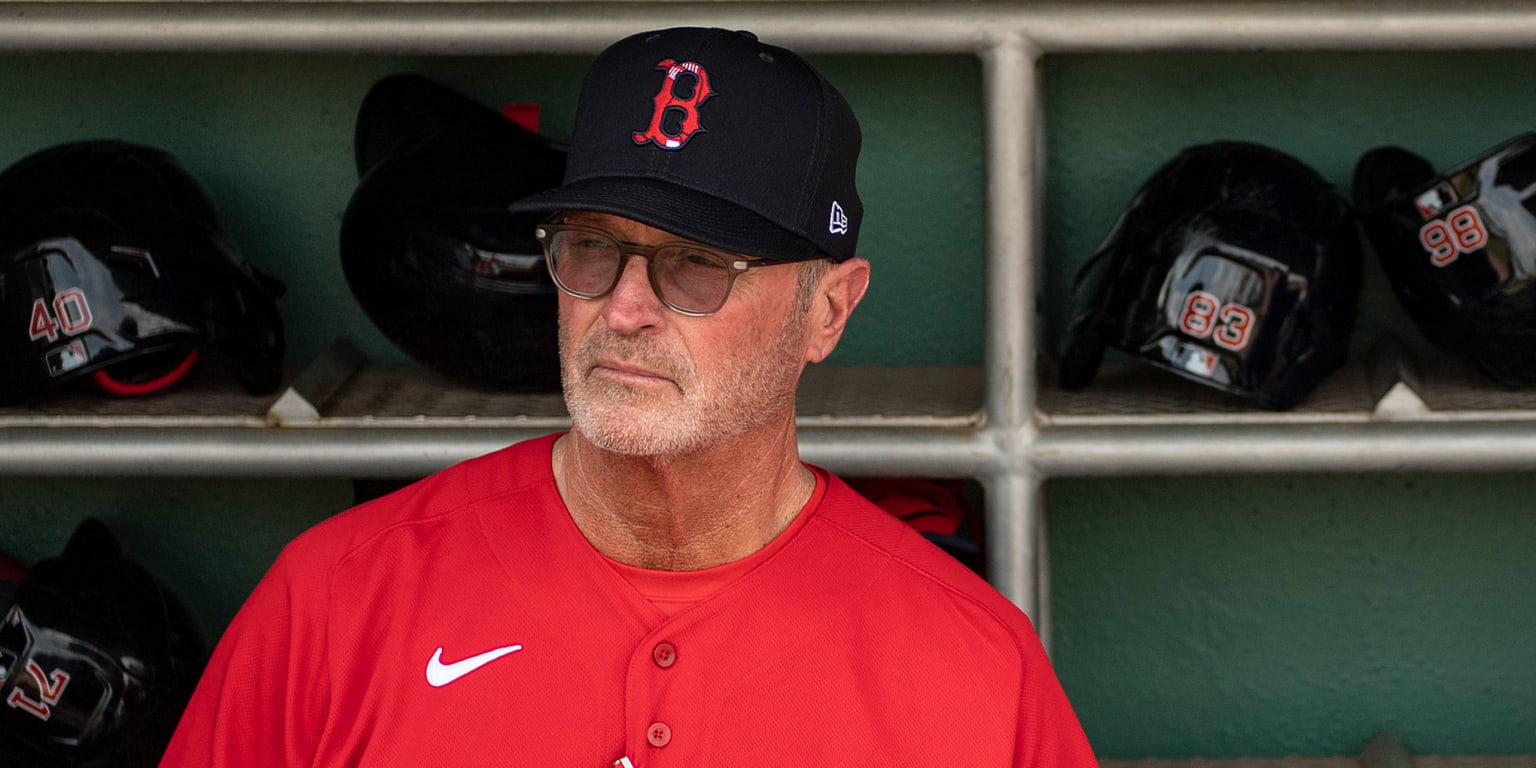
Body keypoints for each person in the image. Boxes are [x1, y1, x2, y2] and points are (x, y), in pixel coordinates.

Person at [159, 26, 1097, 767]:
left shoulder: (972, 665)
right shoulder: (336, 601)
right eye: (593, 247)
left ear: (828, 310)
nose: (627, 307)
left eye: (698, 264)